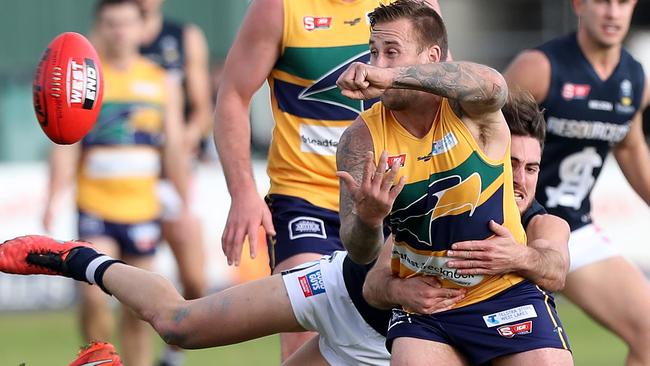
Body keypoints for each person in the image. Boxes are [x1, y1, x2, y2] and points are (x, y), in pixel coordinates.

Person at [335, 1, 572, 364]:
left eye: (391, 53)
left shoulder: (467, 109)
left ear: (432, 56)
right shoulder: (361, 139)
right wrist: (369, 220)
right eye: (373, 53)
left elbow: (494, 85)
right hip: (427, 306)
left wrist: (393, 77)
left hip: (503, 294)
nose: (376, 65)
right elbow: (360, 251)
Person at [213, 0, 443, 358]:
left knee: (404, 333)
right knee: (304, 323)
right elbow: (233, 94)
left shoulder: (414, 5)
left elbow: (444, 84)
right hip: (306, 199)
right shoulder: (279, 8)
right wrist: (243, 191)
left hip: (395, 198)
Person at [503, 1, 650, 364]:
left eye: (623, 2)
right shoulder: (540, 67)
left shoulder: (635, 79)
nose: (613, 13)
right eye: (602, 1)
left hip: (573, 230)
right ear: (580, 4)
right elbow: (481, 135)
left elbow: (630, 148)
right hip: (511, 226)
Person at [42, 1, 187, 365]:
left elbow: (173, 146)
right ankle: (96, 356)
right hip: (95, 205)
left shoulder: (161, 81)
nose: (119, 31)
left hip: (142, 208)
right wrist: (53, 195)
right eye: (110, 24)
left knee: (139, 309)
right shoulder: (87, 81)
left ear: (142, 29)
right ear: (99, 28)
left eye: (126, 23)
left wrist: (182, 196)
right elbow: (66, 143)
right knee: (92, 295)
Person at [136, 1, 212, 364]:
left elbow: (201, 109)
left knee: (195, 280)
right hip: (131, 176)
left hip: (177, 172)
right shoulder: (111, 32)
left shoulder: (184, 37)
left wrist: (186, 136)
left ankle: (172, 355)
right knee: (134, 283)